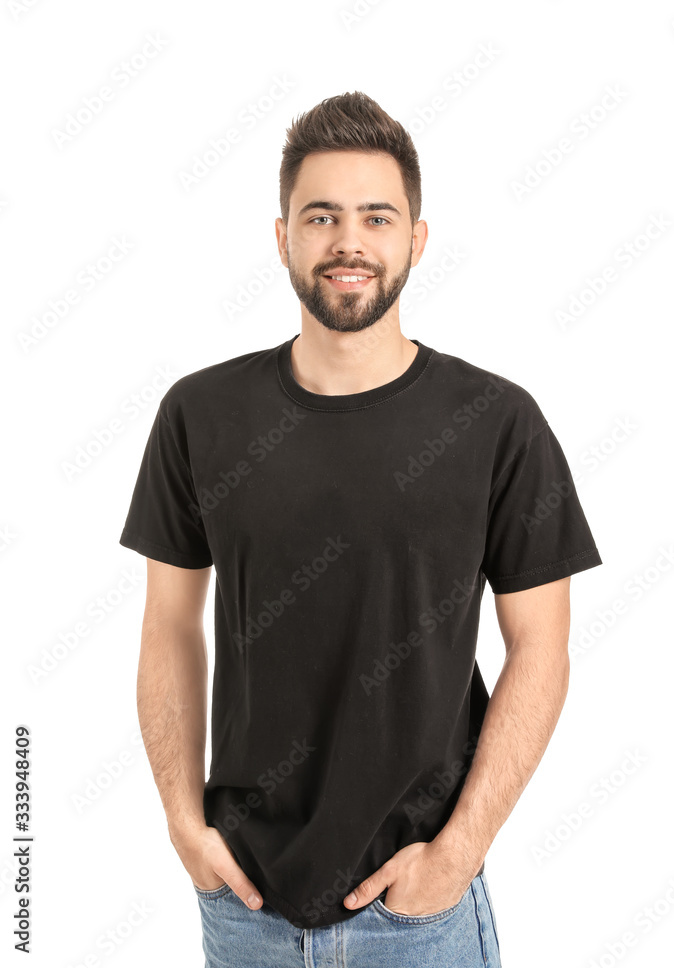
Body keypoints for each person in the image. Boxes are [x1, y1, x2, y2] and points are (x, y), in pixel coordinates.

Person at [119, 90, 603, 967]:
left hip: (421, 915)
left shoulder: (497, 423)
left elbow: (543, 648)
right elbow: (168, 625)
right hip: (243, 908)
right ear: (283, 238)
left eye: (377, 217)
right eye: (322, 216)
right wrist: (183, 826)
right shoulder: (201, 415)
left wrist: (456, 854)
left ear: (416, 240)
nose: (350, 241)